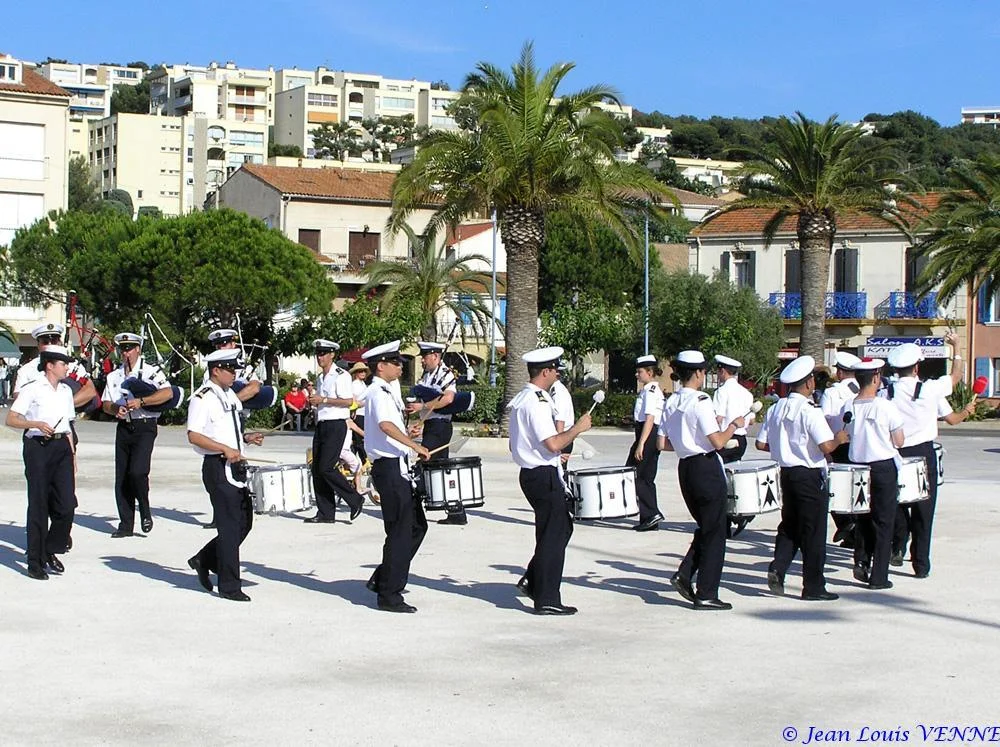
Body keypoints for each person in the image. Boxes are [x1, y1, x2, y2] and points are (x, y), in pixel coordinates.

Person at [657, 350, 744, 611]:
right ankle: (707, 592)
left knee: (707, 526)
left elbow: (662, 443)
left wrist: (687, 444)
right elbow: (717, 442)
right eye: (704, 371)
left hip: (686, 467)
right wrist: (733, 425)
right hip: (705, 467)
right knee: (716, 531)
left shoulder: (671, 401)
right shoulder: (701, 400)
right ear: (697, 373)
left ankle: (685, 574)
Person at [509, 346, 592, 615]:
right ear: (545, 371)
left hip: (534, 473)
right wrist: (578, 428)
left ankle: (535, 582)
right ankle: (547, 598)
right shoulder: (538, 401)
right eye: (555, 369)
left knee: (559, 530)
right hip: (542, 474)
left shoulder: (523, 398)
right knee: (553, 536)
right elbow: (554, 443)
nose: (557, 373)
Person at [756, 356, 847, 601]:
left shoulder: (775, 408)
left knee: (790, 526)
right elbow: (826, 445)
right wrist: (839, 438)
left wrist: (784, 449)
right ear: (808, 384)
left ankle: (778, 566)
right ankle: (814, 586)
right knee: (814, 531)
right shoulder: (810, 410)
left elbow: (761, 443)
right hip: (809, 475)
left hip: (786, 473)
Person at [885, 336, 971, 577]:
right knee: (924, 510)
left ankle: (898, 544)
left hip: (896, 452)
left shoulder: (887, 391)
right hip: (923, 452)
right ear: (916, 367)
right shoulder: (930, 390)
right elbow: (955, 379)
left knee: (897, 503)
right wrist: (956, 347)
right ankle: (921, 563)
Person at [186, 349, 265, 601]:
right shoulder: (202, 397)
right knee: (230, 526)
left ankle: (205, 558)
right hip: (217, 467)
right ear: (216, 370)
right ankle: (230, 586)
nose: (234, 374)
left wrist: (245, 439)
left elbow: (225, 431)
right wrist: (224, 449)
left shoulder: (229, 395)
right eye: (230, 369)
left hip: (235, 466)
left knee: (244, 523)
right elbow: (194, 435)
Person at [362, 341, 431, 613]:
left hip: (398, 465)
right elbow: (385, 425)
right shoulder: (378, 392)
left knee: (415, 526)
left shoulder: (388, 391)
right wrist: (414, 445)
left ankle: (384, 576)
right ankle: (389, 593)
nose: (400, 365)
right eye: (395, 362)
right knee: (400, 531)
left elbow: (391, 427)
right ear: (381, 366)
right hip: (389, 468)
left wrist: (408, 436)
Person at [5, 345, 77, 580]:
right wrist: (35, 424)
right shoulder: (33, 389)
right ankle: (35, 560)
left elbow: (67, 425)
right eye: (63, 363)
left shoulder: (66, 391)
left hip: (61, 448)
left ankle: (50, 548)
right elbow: (12, 419)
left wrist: (72, 454)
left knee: (66, 505)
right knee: (38, 504)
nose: (67, 366)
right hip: (38, 447)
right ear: (50, 365)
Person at [840, 359, 904, 590]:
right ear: (876, 378)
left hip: (857, 467)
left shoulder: (848, 405)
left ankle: (861, 560)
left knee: (863, 518)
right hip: (882, 466)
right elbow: (899, 441)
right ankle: (879, 576)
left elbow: (844, 434)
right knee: (884, 521)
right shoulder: (885, 406)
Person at [101, 333, 173, 538]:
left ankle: (145, 507)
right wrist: (116, 409)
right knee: (122, 476)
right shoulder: (114, 376)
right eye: (123, 349)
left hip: (145, 425)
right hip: (124, 427)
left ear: (138, 349)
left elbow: (167, 393)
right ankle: (125, 524)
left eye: (130, 348)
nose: (126, 353)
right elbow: (106, 403)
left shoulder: (150, 372)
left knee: (138, 472)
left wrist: (141, 402)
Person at [303, 339, 365, 524]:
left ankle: (354, 498)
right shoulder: (321, 377)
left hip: (336, 424)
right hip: (322, 423)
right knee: (317, 469)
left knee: (327, 467)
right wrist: (316, 404)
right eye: (318, 354)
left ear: (332, 355)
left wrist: (323, 400)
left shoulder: (341, 375)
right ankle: (326, 512)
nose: (320, 357)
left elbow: (347, 401)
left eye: (323, 354)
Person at [407, 342, 466, 525]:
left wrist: (422, 406)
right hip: (432, 426)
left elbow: (448, 399)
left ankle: (412, 508)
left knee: (422, 461)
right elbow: (429, 410)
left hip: (441, 426)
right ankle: (457, 512)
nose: (422, 361)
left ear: (435, 356)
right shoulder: (427, 375)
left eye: (425, 357)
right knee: (440, 469)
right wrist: (420, 424)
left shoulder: (446, 374)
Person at [820, 351, 862, 547]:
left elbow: (823, 420)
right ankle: (853, 534)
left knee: (835, 490)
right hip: (859, 445)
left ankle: (846, 525)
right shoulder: (861, 389)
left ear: (840, 373)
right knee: (856, 489)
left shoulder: (832, 392)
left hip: (837, 445)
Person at [628, 355, 665, 531]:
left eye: (640, 371)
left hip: (648, 435)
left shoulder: (651, 391)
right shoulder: (647, 390)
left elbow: (650, 418)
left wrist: (641, 443)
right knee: (644, 477)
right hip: (645, 434)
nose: (637, 374)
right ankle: (649, 517)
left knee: (638, 475)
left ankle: (651, 513)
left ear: (650, 372)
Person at [549, 360, 576, 481]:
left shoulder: (558, 392)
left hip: (562, 438)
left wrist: (558, 449)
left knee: (559, 477)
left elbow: (560, 421)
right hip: (560, 439)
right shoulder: (553, 390)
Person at [349, 362, 370, 463]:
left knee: (359, 439)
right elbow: (353, 401)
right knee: (359, 439)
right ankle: (364, 460)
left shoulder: (363, 384)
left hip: (365, 414)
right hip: (358, 414)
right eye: (360, 371)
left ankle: (360, 460)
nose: (363, 373)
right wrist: (365, 403)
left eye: (364, 371)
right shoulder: (354, 385)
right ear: (356, 373)